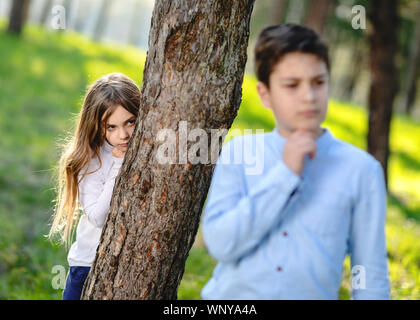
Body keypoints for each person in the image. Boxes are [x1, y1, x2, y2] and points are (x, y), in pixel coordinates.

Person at [201, 24, 390, 300]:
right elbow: (219, 244)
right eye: (292, 85)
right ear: (265, 94)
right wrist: (285, 175)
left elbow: (368, 272)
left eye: (318, 82)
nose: (309, 97)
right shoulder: (239, 152)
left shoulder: (362, 170)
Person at [48, 73, 141, 300]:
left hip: (126, 266)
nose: (123, 134)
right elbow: (98, 216)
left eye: (130, 121)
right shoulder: (91, 160)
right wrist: (118, 164)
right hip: (87, 268)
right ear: (97, 126)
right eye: (111, 127)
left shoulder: (140, 148)